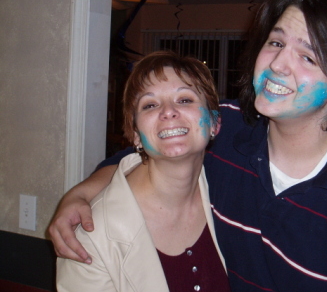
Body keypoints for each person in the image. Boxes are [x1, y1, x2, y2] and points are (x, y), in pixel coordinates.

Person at [50, 0, 327, 291]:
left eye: (308, 57)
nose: (278, 63)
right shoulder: (226, 128)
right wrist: (79, 195)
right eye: (276, 43)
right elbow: (151, 150)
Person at [56, 51, 231, 292]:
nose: (168, 111)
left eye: (185, 100)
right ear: (136, 135)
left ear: (214, 123)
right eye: (150, 104)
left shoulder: (229, 188)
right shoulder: (91, 238)